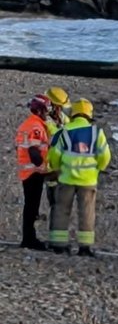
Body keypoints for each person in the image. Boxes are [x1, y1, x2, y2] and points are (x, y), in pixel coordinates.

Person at [48, 97, 111, 256]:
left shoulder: (64, 132)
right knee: (87, 212)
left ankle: (59, 244)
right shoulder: (97, 133)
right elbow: (105, 156)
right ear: (89, 114)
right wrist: (98, 169)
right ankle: (85, 247)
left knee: (61, 210)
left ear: (73, 113)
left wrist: (57, 169)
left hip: (66, 178)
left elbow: (54, 154)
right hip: (88, 180)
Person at [14, 94, 52, 250]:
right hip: (33, 172)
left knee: (30, 206)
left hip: (26, 171)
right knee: (31, 207)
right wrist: (44, 166)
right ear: (40, 110)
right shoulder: (36, 127)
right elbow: (34, 152)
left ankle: (29, 237)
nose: (48, 112)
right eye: (47, 109)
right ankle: (29, 239)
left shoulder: (27, 124)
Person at [43, 86, 70, 218]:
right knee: (53, 188)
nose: (60, 109)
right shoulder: (44, 120)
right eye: (58, 106)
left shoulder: (62, 117)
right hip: (49, 164)